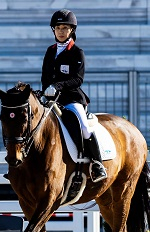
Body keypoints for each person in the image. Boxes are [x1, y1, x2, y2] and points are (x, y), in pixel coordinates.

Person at [41, 9, 107, 183]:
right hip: (51, 99)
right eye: (58, 27)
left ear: (72, 30)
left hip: (71, 100)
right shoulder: (49, 51)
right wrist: (44, 92)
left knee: (84, 128)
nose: (61, 31)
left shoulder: (77, 52)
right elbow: (44, 77)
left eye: (65, 27)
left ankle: (97, 163)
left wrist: (57, 86)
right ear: (53, 30)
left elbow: (78, 79)